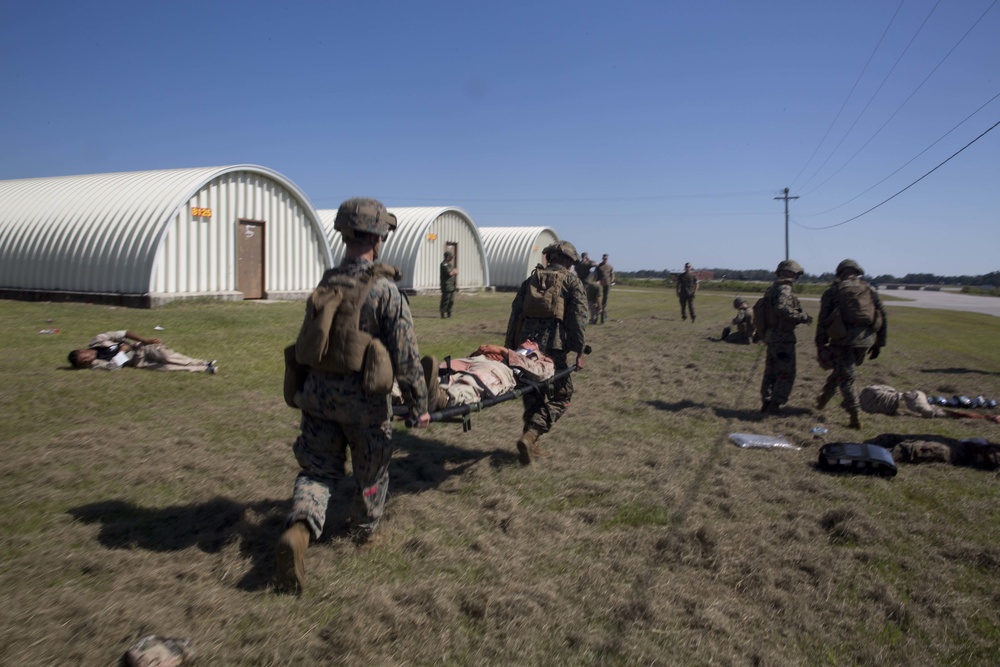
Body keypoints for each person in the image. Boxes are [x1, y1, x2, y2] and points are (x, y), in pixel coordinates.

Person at [276, 197, 430, 595]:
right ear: (378, 240)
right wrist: (419, 405)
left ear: (345, 236)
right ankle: (364, 533)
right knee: (371, 473)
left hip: (317, 400)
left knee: (317, 471)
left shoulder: (326, 284)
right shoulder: (385, 292)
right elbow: (408, 358)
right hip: (364, 405)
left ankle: (300, 528)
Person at [505, 240, 589, 464]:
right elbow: (579, 320)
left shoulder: (530, 280)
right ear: (569, 262)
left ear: (549, 257)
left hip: (524, 347)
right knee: (562, 395)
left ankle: (532, 444)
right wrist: (579, 351)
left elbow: (514, 316)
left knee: (532, 391)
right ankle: (532, 435)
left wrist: (509, 349)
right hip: (553, 349)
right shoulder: (572, 281)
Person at [815, 259, 888, 429]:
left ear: (840, 273)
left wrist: (820, 343)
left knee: (846, 378)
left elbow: (822, 320)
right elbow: (882, 315)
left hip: (842, 339)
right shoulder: (869, 289)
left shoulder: (833, 291)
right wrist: (879, 343)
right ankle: (822, 399)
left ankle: (854, 415)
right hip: (865, 340)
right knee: (843, 370)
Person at [421, 340, 555, 411]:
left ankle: (444, 398)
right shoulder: (511, 349)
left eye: (532, 341)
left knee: (474, 379)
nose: (527, 340)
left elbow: (541, 373)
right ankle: (406, 393)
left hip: (503, 370)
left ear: (538, 349)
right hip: (476, 360)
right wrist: (480, 352)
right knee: (444, 369)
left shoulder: (543, 360)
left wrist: (504, 352)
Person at [759, 259, 813, 415]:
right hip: (782, 337)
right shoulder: (784, 289)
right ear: (791, 273)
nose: (796, 278)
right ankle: (775, 405)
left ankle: (766, 402)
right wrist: (801, 317)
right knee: (785, 373)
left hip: (771, 336)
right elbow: (782, 308)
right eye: (795, 274)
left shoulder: (772, 289)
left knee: (770, 371)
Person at [67, 330, 217, 373]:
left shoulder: (98, 340)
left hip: (141, 348)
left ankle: (203, 362)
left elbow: (125, 333)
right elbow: (113, 367)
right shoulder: (95, 364)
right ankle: (205, 369)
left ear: (82, 350)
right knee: (168, 368)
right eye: (83, 363)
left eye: (83, 357)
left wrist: (146, 340)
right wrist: (122, 353)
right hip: (138, 361)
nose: (86, 360)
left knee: (167, 356)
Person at [859, 385, 946, 418]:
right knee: (918, 395)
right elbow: (891, 389)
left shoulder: (864, 407)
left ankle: (930, 409)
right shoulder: (868, 389)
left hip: (892, 406)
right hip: (897, 400)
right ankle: (932, 410)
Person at [574, 252, 601, 324]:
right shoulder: (587, 264)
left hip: (578, 283)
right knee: (588, 302)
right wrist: (590, 260)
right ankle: (590, 317)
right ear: (586, 257)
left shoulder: (577, 265)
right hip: (586, 284)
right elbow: (597, 264)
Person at [593, 253, 615, 323]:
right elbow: (595, 274)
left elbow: (612, 274)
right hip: (599, 283)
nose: (605, 259)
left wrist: (612, 281)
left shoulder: (610, 266)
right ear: (602, 258)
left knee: (606, 297)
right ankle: (599, 308)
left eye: (606, 259)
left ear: (607, 259)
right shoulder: (598, 266)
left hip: (607, 283)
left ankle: (603, 308)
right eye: (604, 258)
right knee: (597, 297)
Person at [439, 250, 458, 318]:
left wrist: (453, 272)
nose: (452, 258)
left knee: (451, 300)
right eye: (451, 257)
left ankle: (449, 312)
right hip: (446, 285)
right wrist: (453, 272)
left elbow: (455, 272)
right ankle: (443, 313)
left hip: (452, 285)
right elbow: (449, 273)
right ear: (447, 257)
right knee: (445, 300)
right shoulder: (444, 264)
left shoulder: (450, 264)